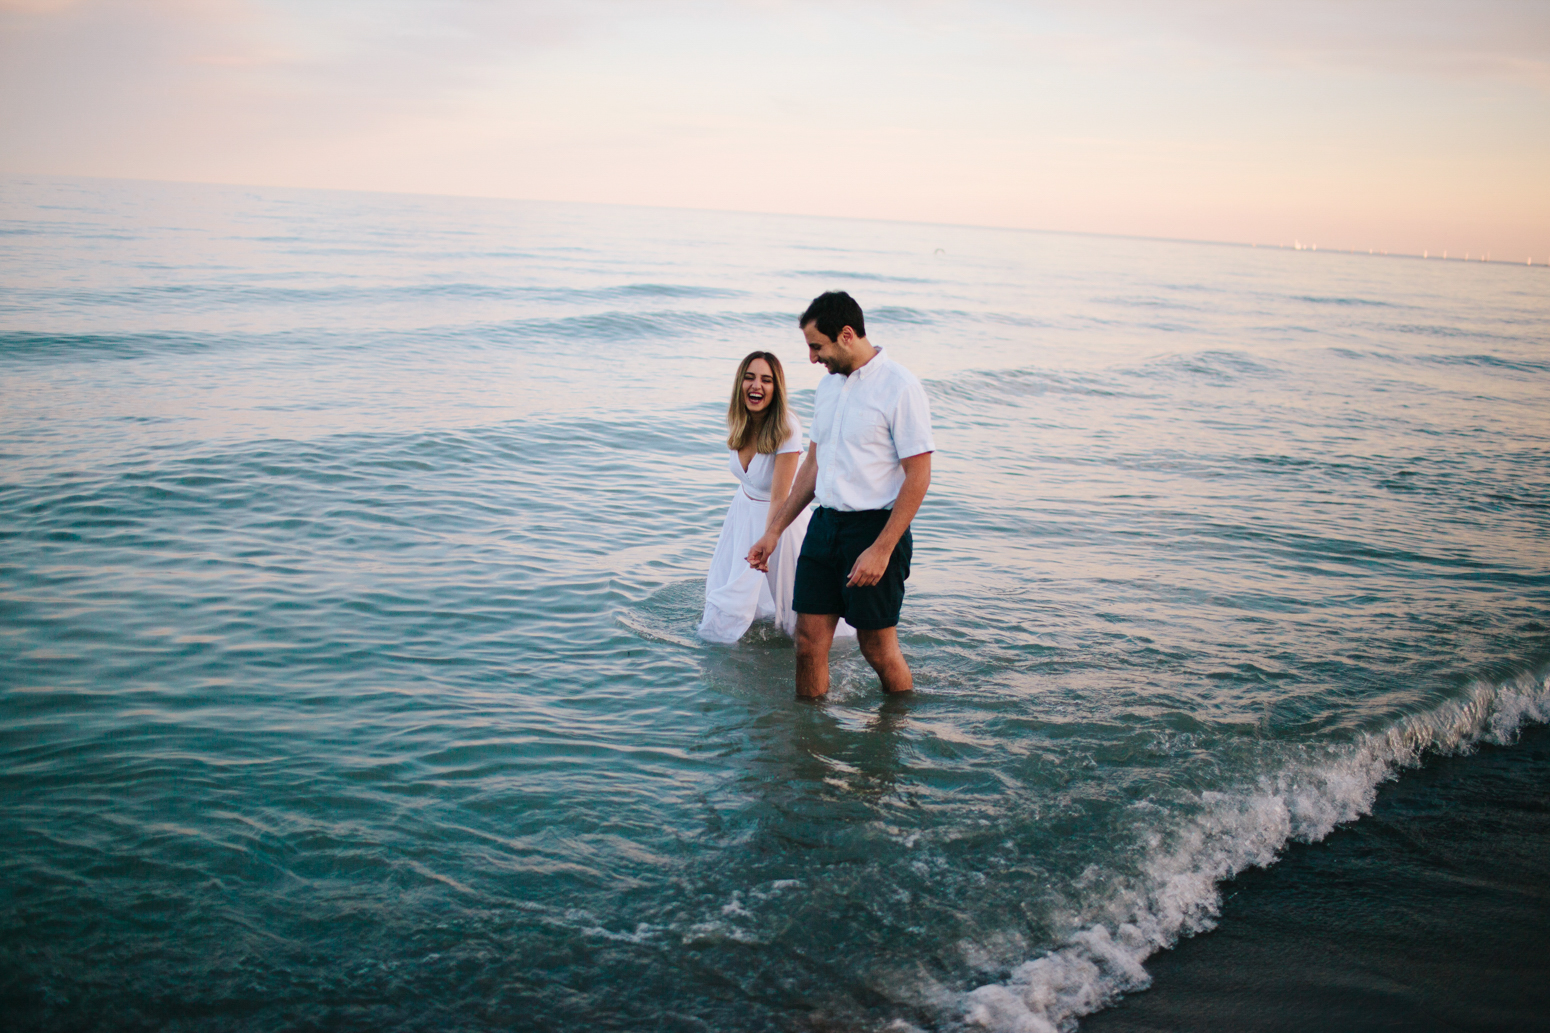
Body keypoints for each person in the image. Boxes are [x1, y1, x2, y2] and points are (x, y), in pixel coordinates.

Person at [748, 292, 934, 698]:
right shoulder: (828, 388)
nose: (813, 358)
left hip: (874, 529)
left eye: (817, 346)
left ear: (846, 335)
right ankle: (810, 748)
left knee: (877, 648)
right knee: (807, 643)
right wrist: (775, 531)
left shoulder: (900, 387)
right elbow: (812, 466)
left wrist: (882, 549)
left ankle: (894, 733)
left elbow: (918, 475)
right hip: (824, 526)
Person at [698, 351, 856, 644]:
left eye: (766, 380)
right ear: (740, 383)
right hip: (742, 514)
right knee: (730, 592)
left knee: (796, 616)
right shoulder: (740, 419)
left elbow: (780, 497)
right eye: (750, 377)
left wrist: (767, 540)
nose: (756, 386)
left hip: (779, 522)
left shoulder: (787, 427)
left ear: (776, 388)